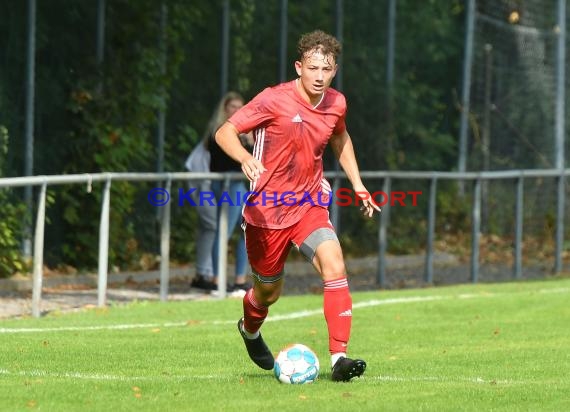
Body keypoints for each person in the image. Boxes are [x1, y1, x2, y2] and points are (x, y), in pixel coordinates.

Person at [215, 30, 381, 382]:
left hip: (308, 204)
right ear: (299, 67)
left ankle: (339, 359)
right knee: (267, 292)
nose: (320, 76)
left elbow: (340, 136)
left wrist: (358, 184)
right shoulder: (273, 99)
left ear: (334, 70)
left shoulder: (336, 103)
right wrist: (245, 157)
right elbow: (224, 132)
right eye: (313, 68)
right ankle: (249, 328)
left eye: (327, 69)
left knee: (334, 264)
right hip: (267, 211)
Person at [190, 91, 251, 292]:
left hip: (242, 186)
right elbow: (227, 161)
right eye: (233, 106)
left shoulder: (246, 133)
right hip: (226, 186)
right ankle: (217, 280)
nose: (237, 110)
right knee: (222, 231)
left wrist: (249, 141)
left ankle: (240, 280)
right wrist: (241, 141)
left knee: (246, 232)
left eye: (240, 107)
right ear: (225, 109)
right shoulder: (219, 131)